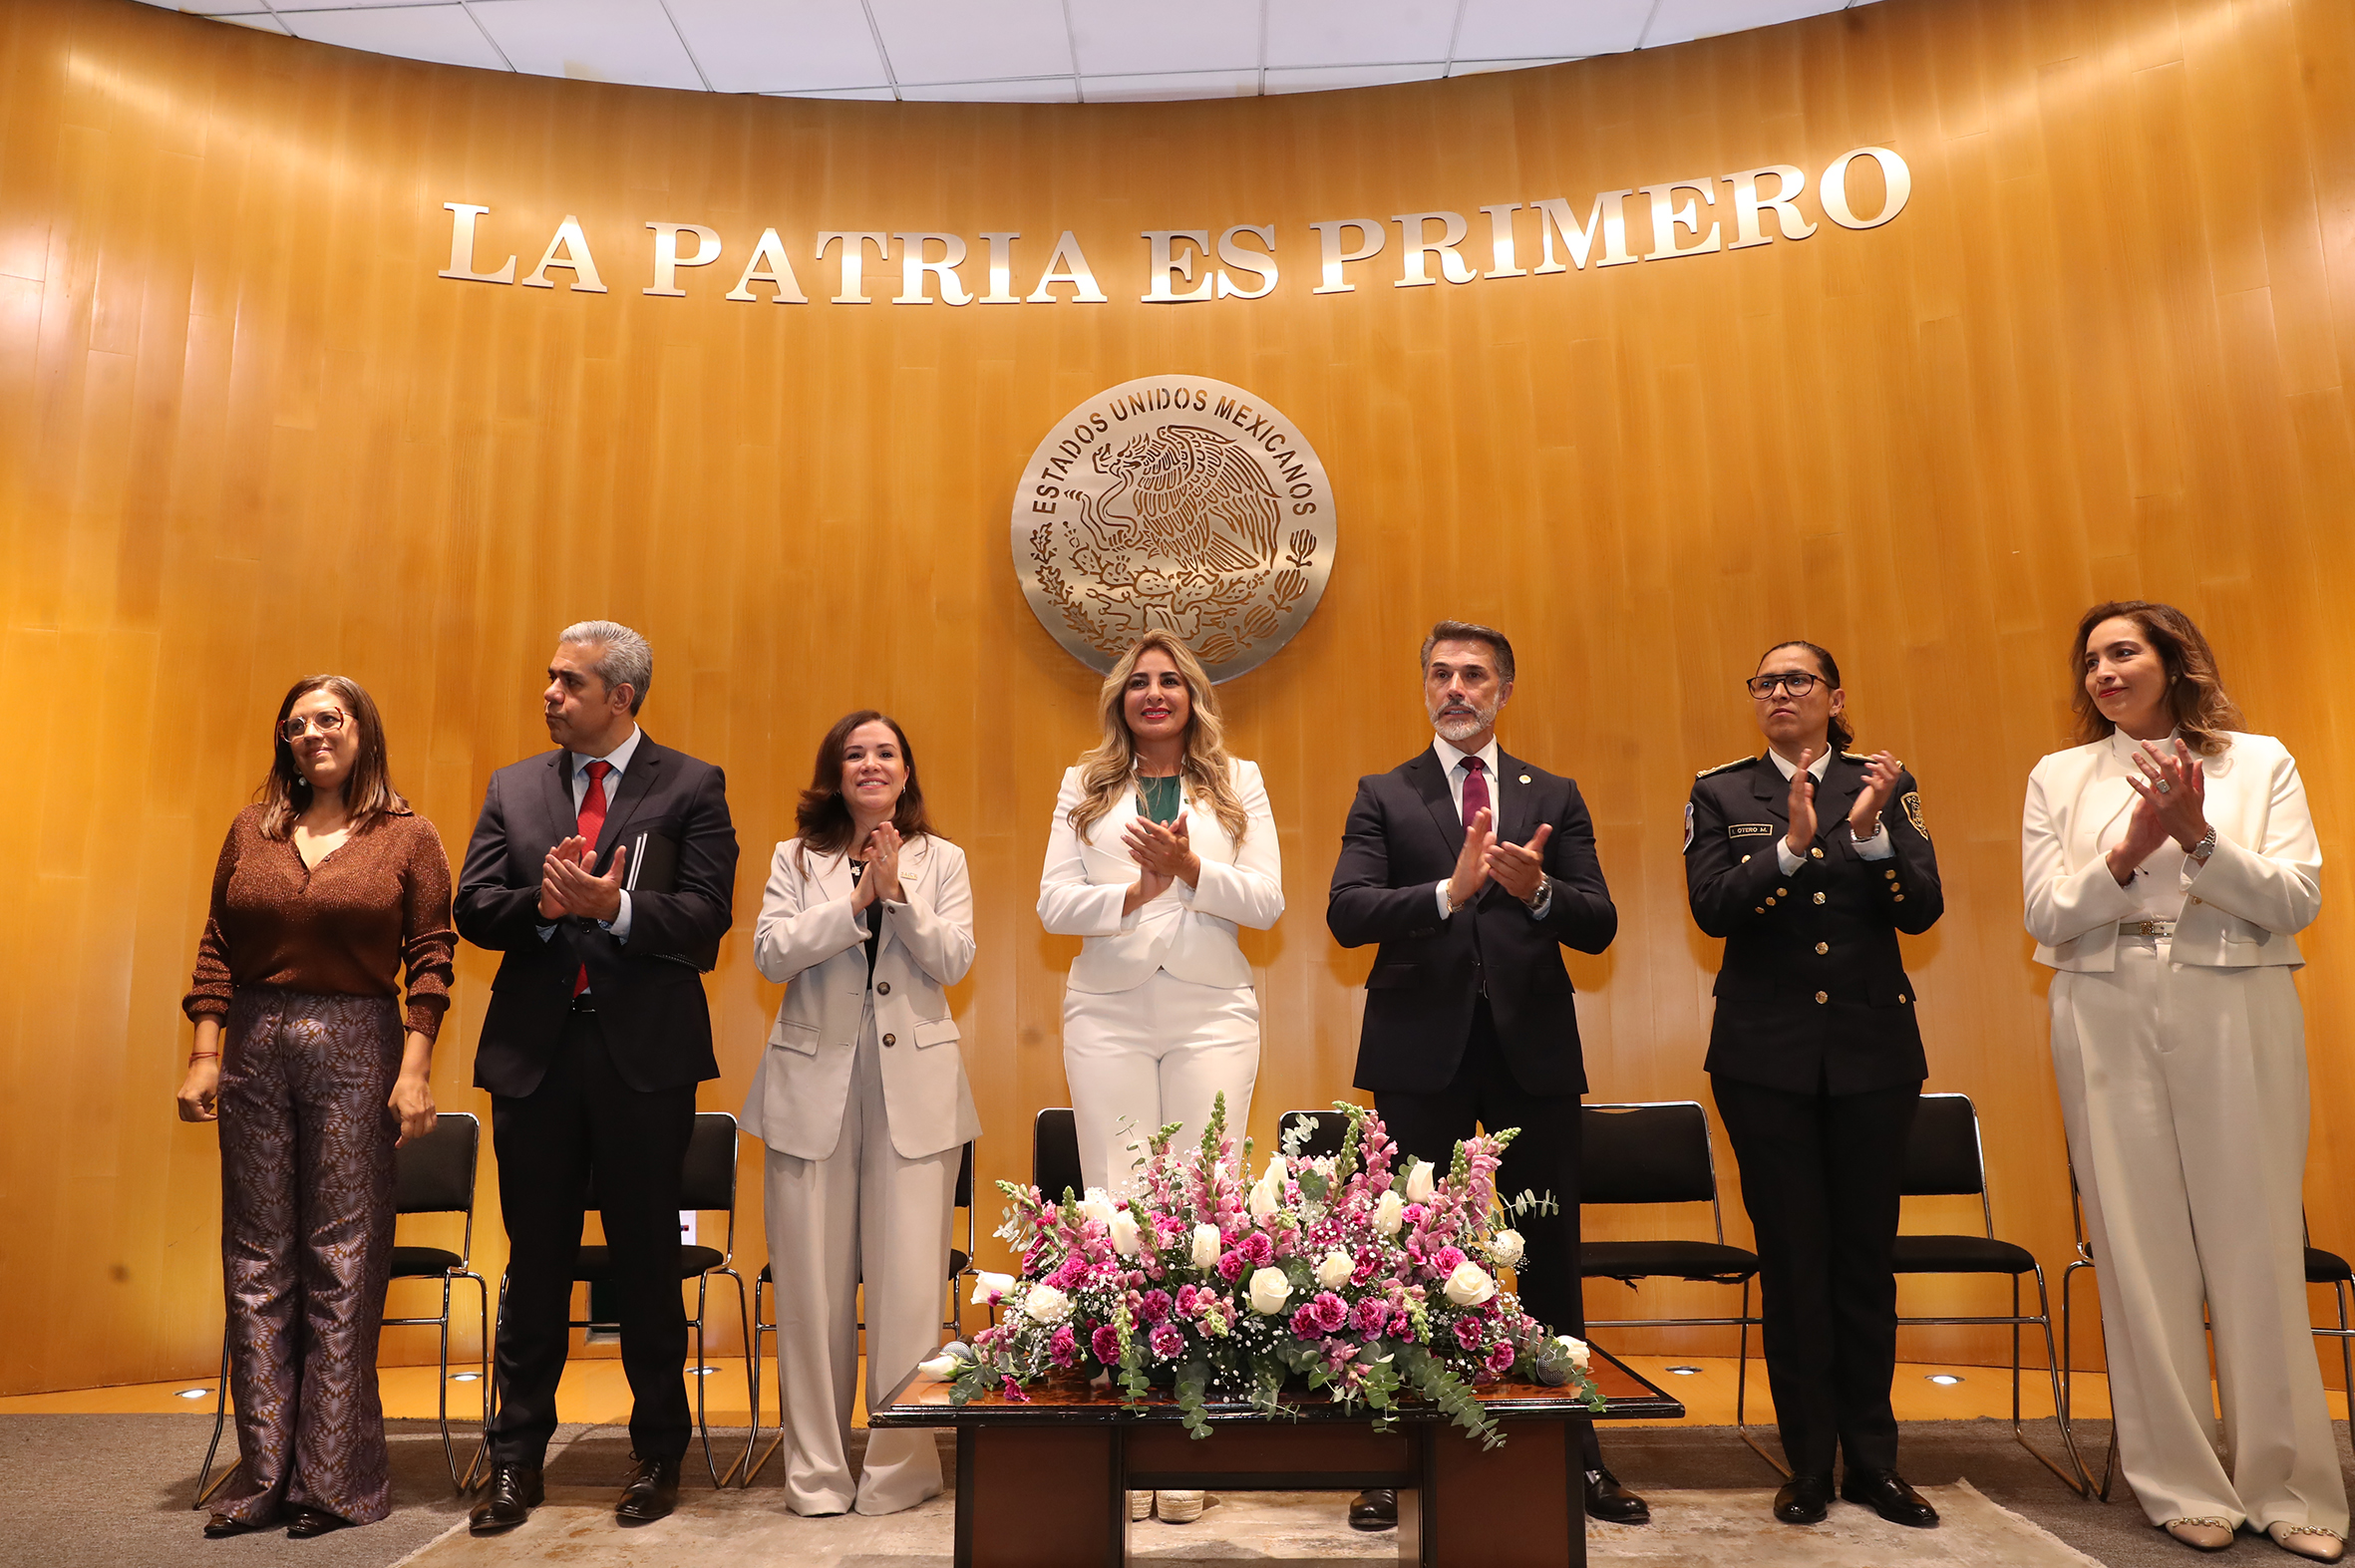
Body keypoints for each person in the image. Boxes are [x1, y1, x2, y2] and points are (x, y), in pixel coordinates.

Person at [2024, 601, 2346, 1562]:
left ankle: (2289, 1485)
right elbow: (2045, 911)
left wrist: (2199, 836)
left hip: (2235, 994)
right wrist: (2125, 854)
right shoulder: (2060, 775)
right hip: (2103, 999)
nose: (2103, 672)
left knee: (2256, 1240)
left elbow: (2297, 896)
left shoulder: (2259, 761)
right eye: (2091, 660)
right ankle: (2179, 1483)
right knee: (2137, 1244)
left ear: (2173, 660)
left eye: (2123, 652)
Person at [1327, 619, 1643, 1531]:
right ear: (1425, 687)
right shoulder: (1385, 793)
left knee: (1548, 1256)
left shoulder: (1555, 794)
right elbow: (1348, 912)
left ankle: (1577, 1452)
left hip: (1530, 1055)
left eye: (1473, 674)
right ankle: (1391, 1457)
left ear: (1504, 689)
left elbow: (1598, 921)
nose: (1455, 688)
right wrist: (1448, 893)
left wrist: (1537, 890)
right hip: (1417, 1056)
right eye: (1440, 673)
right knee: (1401, 1258)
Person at [456, 621, 739, 1534]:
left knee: (646, 1261)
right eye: (549, 678)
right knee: (534, 1263)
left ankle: (656, 1454)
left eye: (568, 681)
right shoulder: (513, 786)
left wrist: (615, 907)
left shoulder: (691, 784)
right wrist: (540, 906)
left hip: (642, 1061)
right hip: (533, 1058)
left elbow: (706, 917)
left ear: (621, 696)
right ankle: (515, 1460)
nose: (549, 693)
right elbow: (472, 905)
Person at [176, 676, 451, 1540]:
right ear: (284, 741)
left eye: (328, 718)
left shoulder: (408, 835)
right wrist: (205, 1054)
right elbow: (217, 946)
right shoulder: (250, 830)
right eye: (296, 724)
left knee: (343, 1260)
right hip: (254, 1045)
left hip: (357, 1044)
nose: (312, 733)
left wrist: (414, 1072)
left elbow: (431, 959)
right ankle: (263, 1474)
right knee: (255, 1260)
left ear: (362, 730)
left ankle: (334, 1480)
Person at [1684, 640, 1941, 1529]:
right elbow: (1713, 906)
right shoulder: (1722, 792)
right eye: (1766, 681)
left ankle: (1874, 1461)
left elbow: (1923, 907)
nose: (1780, 692)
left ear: (1835, 696)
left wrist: (1868, 835)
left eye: (1799, 679)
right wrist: (1791, 848)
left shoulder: (1886, 785)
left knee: (1864, 1260)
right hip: (1765, 1058)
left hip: (1873, 1052)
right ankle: (1805, 1465)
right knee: (1793, 1261)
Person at [1038, 630, 1282, 1527]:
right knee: (1121, 1205)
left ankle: (1187, 1446)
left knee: (1206, 1211)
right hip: (1107, 1010)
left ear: (1192, 696)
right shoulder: (1085, 784)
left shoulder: (1238, 781)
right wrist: (1137, 893)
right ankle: (1127, 1432)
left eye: (1169, 680)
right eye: (1138, 681)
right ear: (1120, 698)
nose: (1153, 692)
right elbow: (1052, 903)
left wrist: (1190, 870)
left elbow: (1267, 900)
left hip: (1213, 1008)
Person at [741, 712, 978, 1517]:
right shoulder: (794, 857)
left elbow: (955, 958)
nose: (870, 763)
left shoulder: (942, 858)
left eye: (885, 752)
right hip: (812, 1086)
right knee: (810, 1294)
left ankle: (901, 1467)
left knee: (910, 1290)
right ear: (835, 773)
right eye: (854, 753)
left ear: (906, 772)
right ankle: (815, 1472)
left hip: (916, 1089)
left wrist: (898, 892)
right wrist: (854, 897)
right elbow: (771, 953)